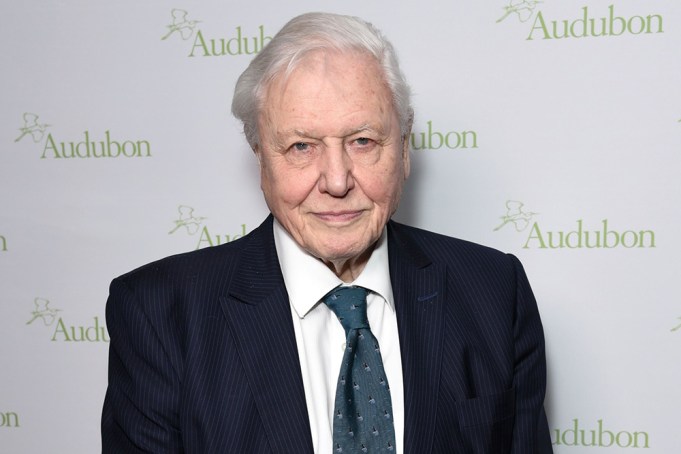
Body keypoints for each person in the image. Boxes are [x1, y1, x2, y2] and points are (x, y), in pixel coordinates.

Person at [102, 12, 552, 454]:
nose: (337, 181)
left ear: (404, 149)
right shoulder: (160, 314)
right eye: (301, 146)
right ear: (261, 159)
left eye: (363, 141)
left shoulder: (495, 290)